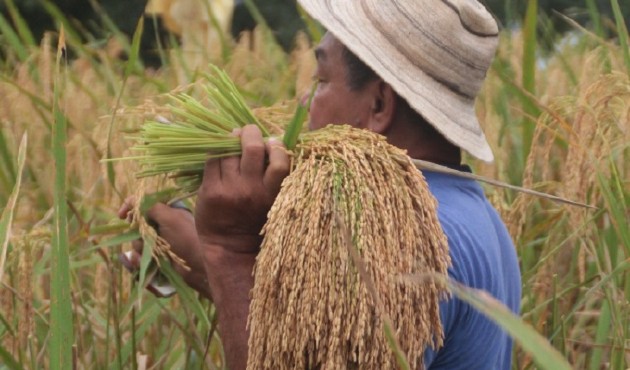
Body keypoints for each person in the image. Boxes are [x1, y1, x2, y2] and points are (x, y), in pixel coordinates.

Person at [120, 1, 522, 369]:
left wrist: (228, 251)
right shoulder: (474, 217)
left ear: (379, 105)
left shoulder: (399, 240)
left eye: (321, 80)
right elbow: (320, 347)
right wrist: (207, 263)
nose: (301, 104)